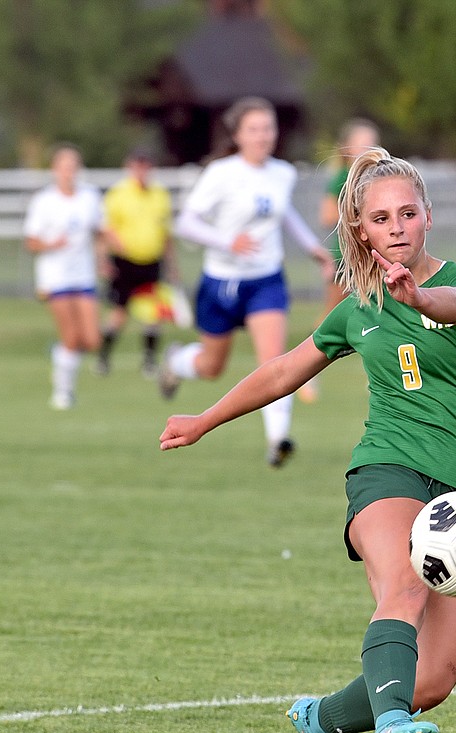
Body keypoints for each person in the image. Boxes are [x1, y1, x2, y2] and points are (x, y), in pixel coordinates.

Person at [159, 147, 456, 733]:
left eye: (407, 213)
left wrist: (419, 299)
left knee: (434, 679)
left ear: (428, 216)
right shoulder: (356, 311)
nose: (396, 227)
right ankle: (392, 727)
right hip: (386, 470)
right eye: (380, 218)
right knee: (402, 587)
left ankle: (320, 719)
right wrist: (204, 419)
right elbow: (285, 370)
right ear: (361, 232)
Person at [161, 96, 335, 467]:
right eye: (254, 129)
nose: (263, 135)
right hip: (220, 284)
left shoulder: (282, 173)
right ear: (238, 135)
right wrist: (228, 241)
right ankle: (175, 362)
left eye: (268, 127)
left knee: (274, 360)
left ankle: (278, 439)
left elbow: (282, 213)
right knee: (211, 367)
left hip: (265, 281)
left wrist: (312, 248)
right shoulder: (221, 173)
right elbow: (186, 223)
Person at [298, 118, 380, 403]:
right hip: (347, 258)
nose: (369, 147)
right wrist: (360, 214)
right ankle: (304, 372)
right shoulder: (341, 177)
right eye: (362, 141)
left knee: (381, 310)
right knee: (332, 315)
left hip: (375, 255)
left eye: (372, 140)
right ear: (348, 148)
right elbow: (328, 216)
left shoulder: (376, 175)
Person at [23, 144, 105, 411]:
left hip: (83, 275)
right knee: (71, 337)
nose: (69, 172)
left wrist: (105, 260)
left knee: (92, 339)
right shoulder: (44, 201)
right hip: (55, 277)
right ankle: (63, 392)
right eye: (64, 167)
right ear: (54, 170)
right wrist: (52, 244)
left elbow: (99, 232)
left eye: (74, 167)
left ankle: (59, 355)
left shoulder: (90, 197)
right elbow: (32, 242)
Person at [96, 146, 180, 379]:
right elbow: (107, 229)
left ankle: (149, 360)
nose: (142, 171)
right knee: (119, 312)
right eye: (138, 165)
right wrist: (104, 259)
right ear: (130, 167)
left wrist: (173, 266)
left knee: (152, 314)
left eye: (146, 166)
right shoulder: (119, 194)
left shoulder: (159, 194)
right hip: (125, 261)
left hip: (151, 262)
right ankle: (103, 357)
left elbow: (165, 233)